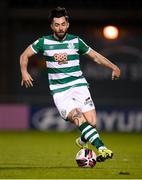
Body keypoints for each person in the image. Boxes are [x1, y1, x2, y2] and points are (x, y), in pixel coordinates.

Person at [20, 6, 120, 162]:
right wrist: (24, 72)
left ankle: (81, 141)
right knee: (78, 117)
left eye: (63, 24)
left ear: (67, 24)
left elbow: (95, 56)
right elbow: (24, 55)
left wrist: (113, 66)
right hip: (60, 91)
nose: (60, 28)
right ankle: (102, 148)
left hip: (79, 85)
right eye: (57, 25)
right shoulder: (43, 42)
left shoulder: (76, 41)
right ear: (52, 26)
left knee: (92, 122)